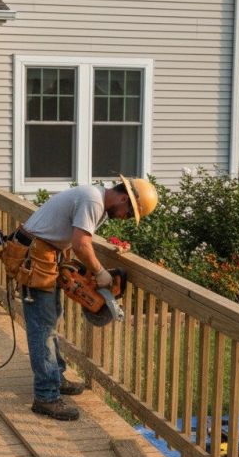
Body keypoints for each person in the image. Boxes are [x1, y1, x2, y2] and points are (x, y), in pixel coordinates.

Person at [12, 175, 158, 421]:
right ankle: (46, 396)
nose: (125, 218)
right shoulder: (93, 200)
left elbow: (81, 237)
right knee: (42, 328)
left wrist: (110, 250)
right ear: (124, 198)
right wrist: (100, 273)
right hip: (35, 258)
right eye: (128, 213)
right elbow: (81, 245)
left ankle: (55, 378)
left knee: (50, 321)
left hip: (44, 256)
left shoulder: (96, 200)